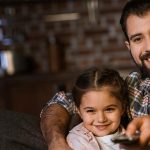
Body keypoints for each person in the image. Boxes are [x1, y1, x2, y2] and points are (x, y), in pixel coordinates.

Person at [40, 0, 150, 149]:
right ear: (128, 46)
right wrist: (56, 141)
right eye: (138, 39)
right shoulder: (133, 86)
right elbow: (64, 101)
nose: (148, 46)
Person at [67, 67, 131, 150]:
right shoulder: (76, 141)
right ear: (79, 112)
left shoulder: (131, 137)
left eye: (109, 109)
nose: (101, 119)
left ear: (122, 108)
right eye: (91, 110)